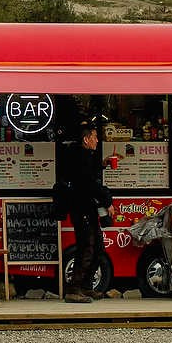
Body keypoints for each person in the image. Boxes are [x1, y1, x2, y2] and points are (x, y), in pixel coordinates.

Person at [52, 120, 114, 302]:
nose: (97, 140)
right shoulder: (82, 157)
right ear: (86, 139)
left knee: (98, 248)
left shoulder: (82, 156)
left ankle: (86, 286)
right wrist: (107, 200)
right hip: (82, 208)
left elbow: (87, 176)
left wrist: (102, 165)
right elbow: (89, 184)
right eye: (94, 137)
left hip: (86, 208)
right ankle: (74, 289)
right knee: (87, 247)